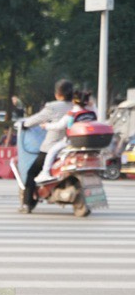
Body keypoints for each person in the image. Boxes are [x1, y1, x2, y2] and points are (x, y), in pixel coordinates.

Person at [18, 79, 73, 212]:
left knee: (31, 173)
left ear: (58, 94)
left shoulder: (53, 107)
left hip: (52, 147)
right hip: (71, 146)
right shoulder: (75, 107)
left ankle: (27, 204)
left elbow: (36, 119)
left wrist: (24, 124)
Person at [35, 89, 97, 183]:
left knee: (52, 151)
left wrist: (46, 126)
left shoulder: (72, 115)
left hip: (71, 142)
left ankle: (45, 173)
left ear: (73, 101)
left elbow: (59, 126)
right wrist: (93, 106)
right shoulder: (91, 113)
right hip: (88, 143)